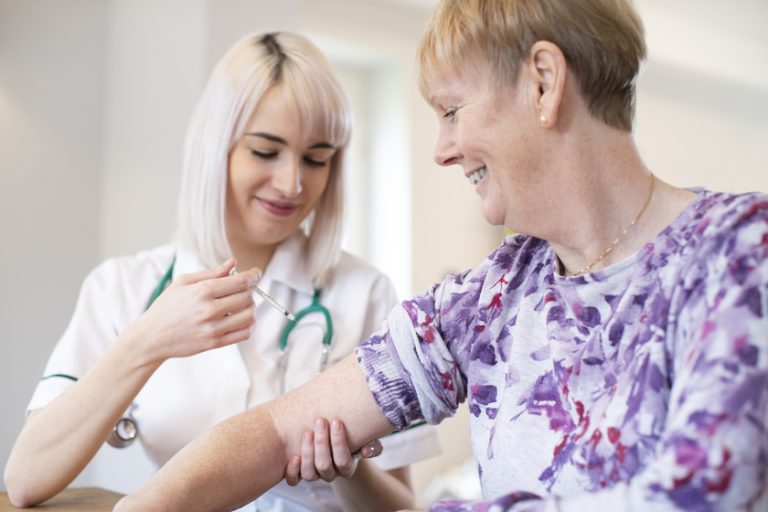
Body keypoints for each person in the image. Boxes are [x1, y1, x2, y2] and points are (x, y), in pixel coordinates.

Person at [112, 0, 768, 510]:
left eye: (452, 111)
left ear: (543, 83)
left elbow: (696, 495)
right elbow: (277, 431)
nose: (441, 150)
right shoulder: (495, 292)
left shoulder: (740, 252)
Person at [3, 31, 440, 512]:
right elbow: (25, 481)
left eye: (316, 159)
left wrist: (349, 471)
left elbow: (402, 506)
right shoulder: (123, 288)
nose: (292, 184)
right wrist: (147, 341)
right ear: (216, 148)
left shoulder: (365, 293)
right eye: (266, 151)